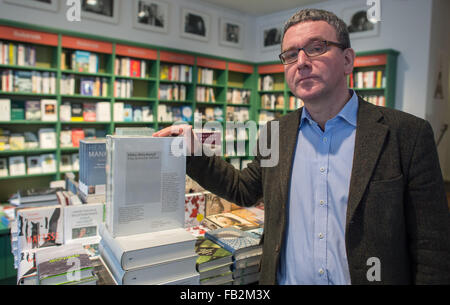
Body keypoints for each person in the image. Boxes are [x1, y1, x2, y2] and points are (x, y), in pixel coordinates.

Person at [153, 8, 450, 284]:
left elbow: (432, 246)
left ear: (348, 60)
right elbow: (243, 189)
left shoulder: (407, 134)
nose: (302, 62)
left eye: (317, 48)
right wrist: (194, 150)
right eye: (291, 55)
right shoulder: (276, 132)